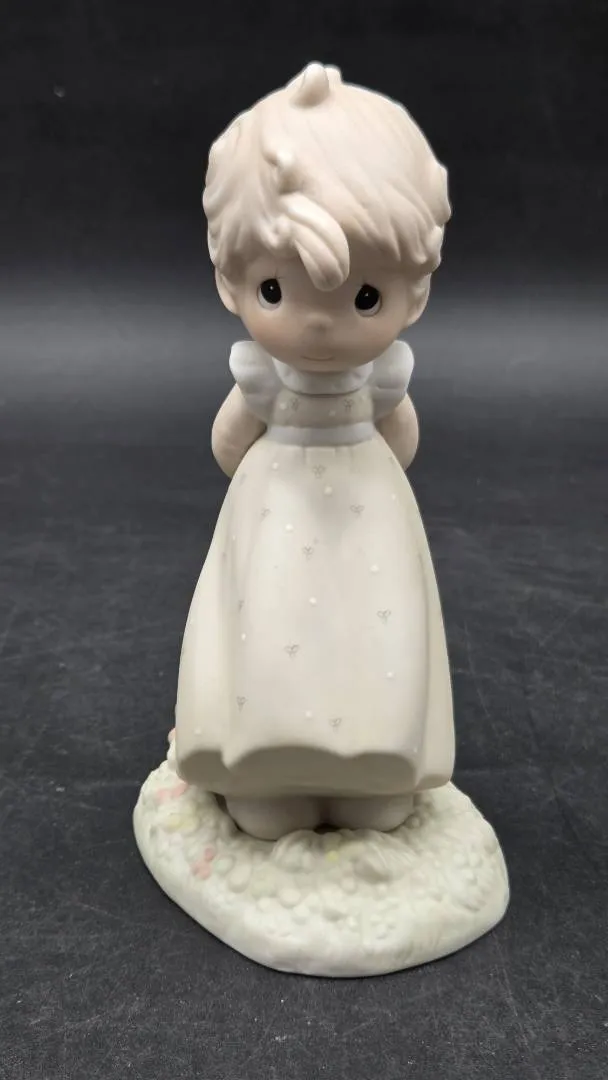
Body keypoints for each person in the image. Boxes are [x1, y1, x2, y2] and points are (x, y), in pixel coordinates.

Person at [174, 62, 454, 840]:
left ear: (414, 293)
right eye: (275, 290)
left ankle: (375, 768)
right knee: (269, 627)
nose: (320, 324)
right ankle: (266, 770)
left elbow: (401, 439)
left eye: (366, 297)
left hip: (366, 513)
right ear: (232, 280)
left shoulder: (382, 379)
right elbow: (229, 444)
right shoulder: (262, 379)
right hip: (279, 509)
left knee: (376, 632)